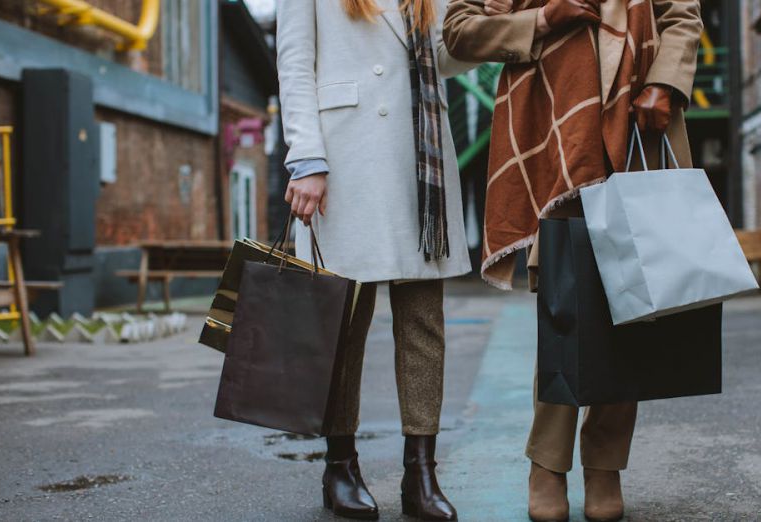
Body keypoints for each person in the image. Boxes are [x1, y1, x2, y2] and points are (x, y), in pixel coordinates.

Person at [443, 1, 702, 520]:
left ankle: (605, 465)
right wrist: (542, 19)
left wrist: (666, 83)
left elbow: (682, 15)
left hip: (634, 130)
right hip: (552, 136)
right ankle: (548, 464)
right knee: (565, 307)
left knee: (634, 307)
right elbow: (459, 32)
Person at [276, 1, 474, 520]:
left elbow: (443, 55)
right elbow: (294, 62)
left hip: (418, 156)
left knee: (424, 323)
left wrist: (483, 29)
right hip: (345, 158)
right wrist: (306, 158)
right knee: (343, 324)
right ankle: (340, 466)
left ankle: (421, 473)